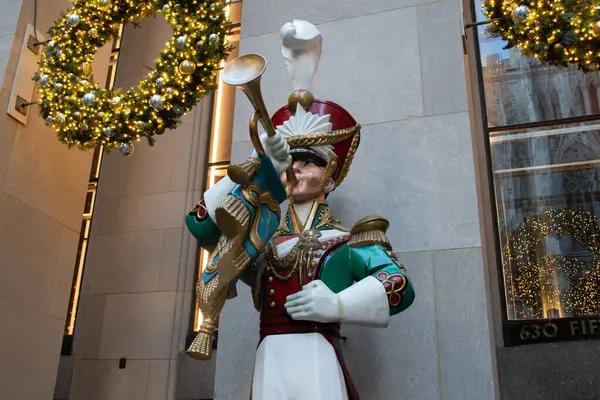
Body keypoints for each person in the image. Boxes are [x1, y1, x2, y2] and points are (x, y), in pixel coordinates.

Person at [185, 20, 415, 400]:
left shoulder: (347, 241)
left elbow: (399, 288)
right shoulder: (259, 237)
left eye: (310, 161)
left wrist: (339, 303)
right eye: (291, 159)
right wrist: (260, 165)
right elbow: (200, 223)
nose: (297, 168)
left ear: (332, 176)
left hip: (318, 359)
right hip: (269, 360)